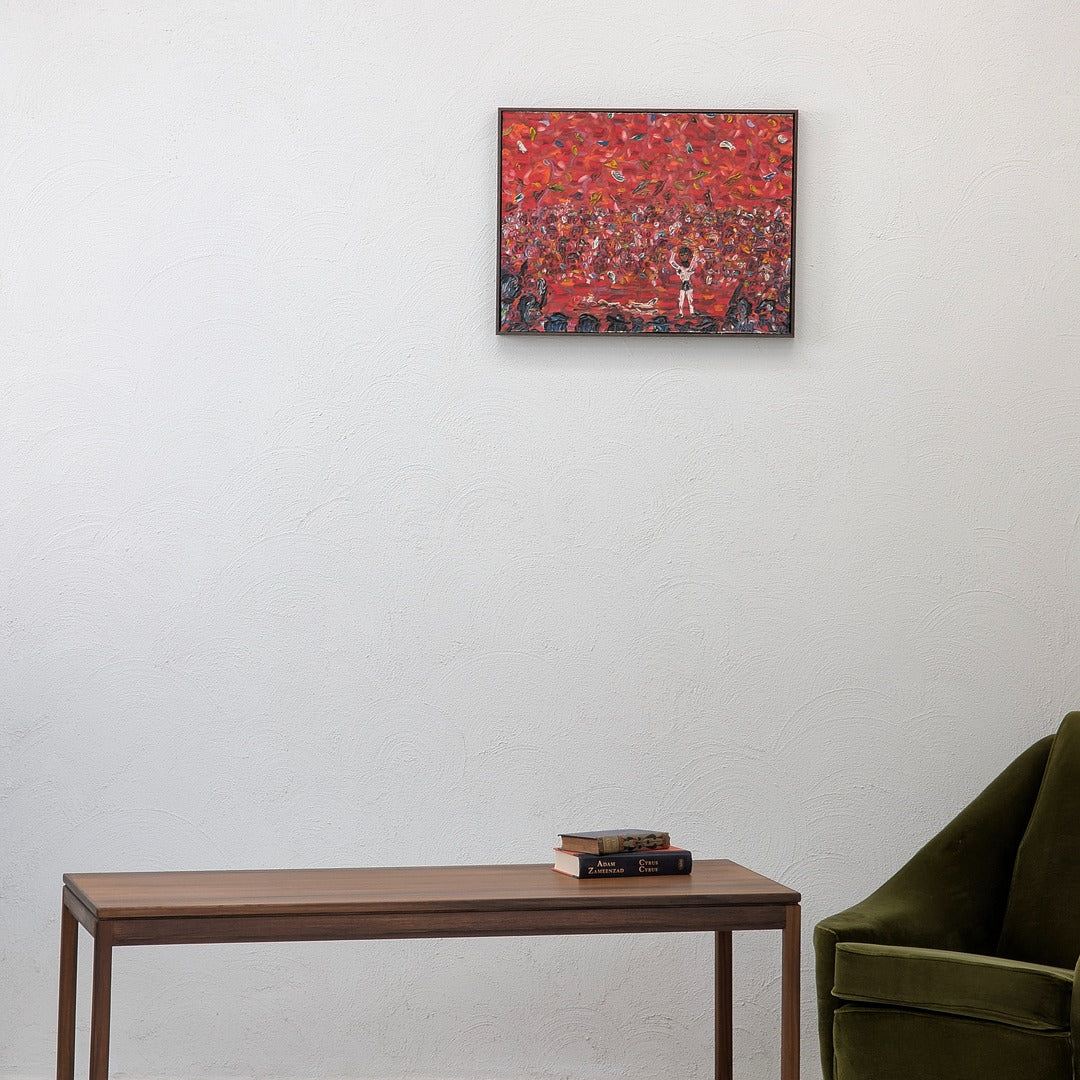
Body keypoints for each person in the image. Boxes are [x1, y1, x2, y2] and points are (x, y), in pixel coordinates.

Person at [669, 245, 699, 316]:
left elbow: (694, 261)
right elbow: (671, 262)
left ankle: (692, 312)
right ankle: (680, 313)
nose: (684, 257)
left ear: (689, 255)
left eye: (686, 255)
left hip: (688, 284)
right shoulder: (680, 268)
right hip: (683, 285)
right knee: (681, 299)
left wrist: (695, 254)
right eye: (682, 255)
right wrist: (673, 253)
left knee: (690, 299)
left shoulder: (691, 266)